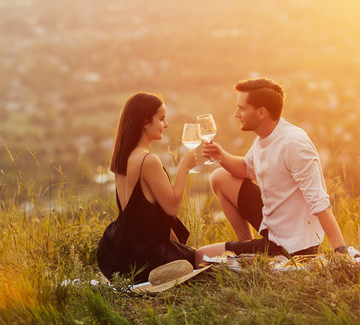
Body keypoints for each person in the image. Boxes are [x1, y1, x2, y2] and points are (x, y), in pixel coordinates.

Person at [195, 78, 347, 265]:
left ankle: (249, 254)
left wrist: (341, 253)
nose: (237, 114)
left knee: (200, 256)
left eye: (242, 108)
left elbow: (319, 202)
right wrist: (220, 155)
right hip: (274, 220)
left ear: (261, 113)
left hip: (291, 244)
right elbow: (247, 169)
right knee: (219, 176)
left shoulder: (293, 144)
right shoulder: (264, 137)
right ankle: (246, 245)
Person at [97, 92, 199, 284]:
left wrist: (177, 248)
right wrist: (184, 168)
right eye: (161, 119)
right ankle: (259, 247)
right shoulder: (147, 160)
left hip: (115, 254)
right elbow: (172, 207)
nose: (166, 125)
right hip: (142, 257)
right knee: (203, 258)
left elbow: (141, 216)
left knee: (192, 255)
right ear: (145, 122)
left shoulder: (122, 158)